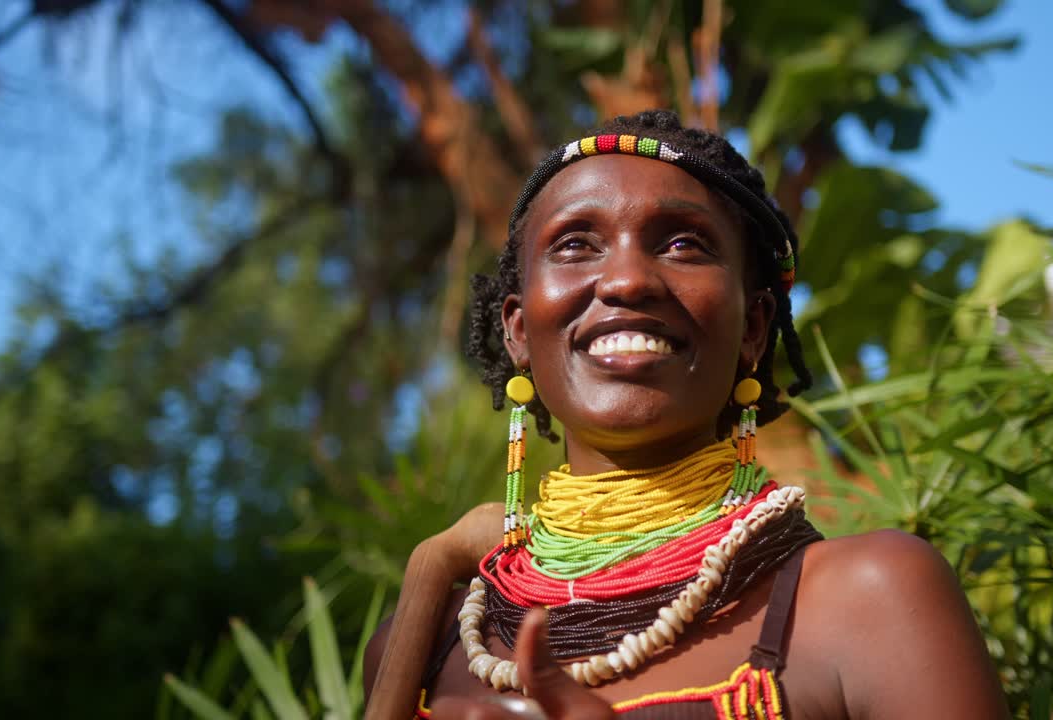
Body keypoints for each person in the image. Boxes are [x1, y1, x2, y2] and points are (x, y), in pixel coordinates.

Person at [363, 110, 1008, 719]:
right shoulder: (423, 646)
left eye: (682, 244)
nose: (627, 281)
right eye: (576, 244)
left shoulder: (874, 600)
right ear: (518, 330)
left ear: (754, 327)